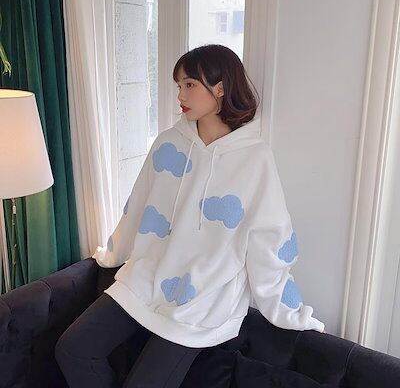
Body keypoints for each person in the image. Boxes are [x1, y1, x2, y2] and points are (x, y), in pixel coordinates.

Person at [55, 44, 325, 387]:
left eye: (190, 85)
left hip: (202, 300)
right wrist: (112, 254)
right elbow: (138, 206)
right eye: (179, 85)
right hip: (145, 280)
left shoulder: (254, 159)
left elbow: (270, 239)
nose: (180, 95)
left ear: (220, 88)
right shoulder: (168, 143)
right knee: (73, 348)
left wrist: (286, 309)